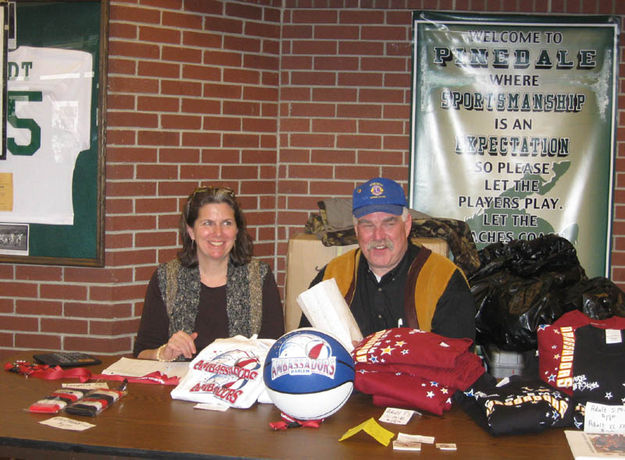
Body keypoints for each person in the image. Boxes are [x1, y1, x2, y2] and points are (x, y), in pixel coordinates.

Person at [302, 177, 475, 341]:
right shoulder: (332, 277)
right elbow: (305, 348)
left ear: (407, 225)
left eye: (389, 223)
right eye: (368, 225)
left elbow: (457, 362)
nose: (378, 236)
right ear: (356, 230)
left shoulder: (444, 279)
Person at [134, 185, 284, 361]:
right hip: (180, 384)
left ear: (236, 231)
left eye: (227, 223)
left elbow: (275, 350)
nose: (218, 233)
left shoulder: (259, 276)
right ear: (191, 231)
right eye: (208, 223)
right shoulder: (166, 277)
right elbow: (142, 352)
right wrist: (164, 353)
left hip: (241, 384)